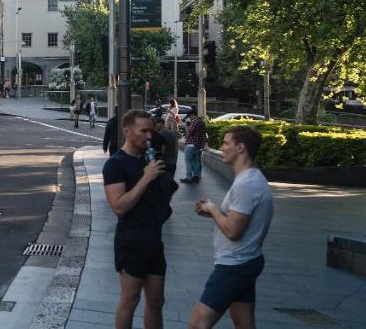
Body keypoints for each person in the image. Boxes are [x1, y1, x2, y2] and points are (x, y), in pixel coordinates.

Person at [188, 126, 274, 329]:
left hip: (234, 266)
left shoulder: (247, 184)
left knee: (197, 324)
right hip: (246, 261)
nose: (222, 147)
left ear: (241, 148)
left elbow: (233, 231)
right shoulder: (251, 179)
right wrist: (213, 214)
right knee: (243, 323)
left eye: (226, 143)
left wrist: (214, 209)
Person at [103, 109, 171, 329]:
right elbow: (119, 207)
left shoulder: (148, 158)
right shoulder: (116, 164)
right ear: (127, 131)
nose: (148, 136)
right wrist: (146, 178)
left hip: (154, 239)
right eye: (143, 131)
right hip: (131, 240)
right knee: (130, 300)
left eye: (150, 131)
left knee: (157, 301)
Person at [181, 110, 208, 184]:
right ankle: (196, 176)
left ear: (192, 114)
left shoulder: (194, 121)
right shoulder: (201, 121)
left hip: (191, 144)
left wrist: (187, 126)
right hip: (198, 145)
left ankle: (189, 177)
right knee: (196, 160)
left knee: (188, 161)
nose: (189, 117)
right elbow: (203, 134)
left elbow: (189, 133)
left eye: (189, 116)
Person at [151, 113, 180, 180]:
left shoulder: (158, 135)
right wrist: (175, 160)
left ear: (160, 124)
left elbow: (161, 151)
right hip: (172, 163)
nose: (154, 126)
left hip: (162, 163)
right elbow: (176, 149)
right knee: (170, 183)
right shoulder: (173, 133)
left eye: (155, 124)